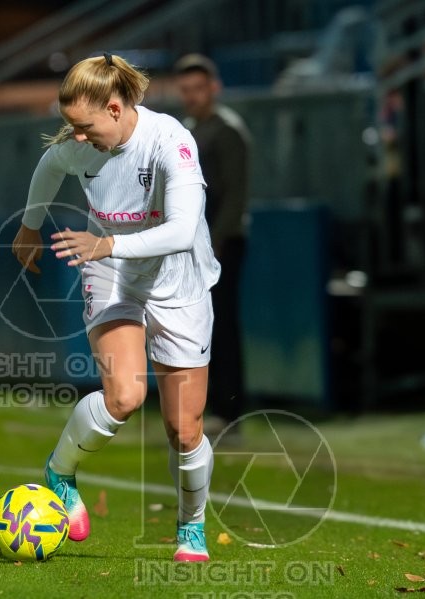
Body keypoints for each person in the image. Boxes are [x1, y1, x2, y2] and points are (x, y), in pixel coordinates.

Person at [11, 53, 221, 561]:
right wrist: (30, 225)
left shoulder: (171, 141)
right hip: (112, 275)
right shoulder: (77, 146)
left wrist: (107, 245)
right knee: (124, 397)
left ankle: (190, 527)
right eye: (69, 127)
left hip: (179, 278)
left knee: (185, 429)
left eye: (83, 126)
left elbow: (180, 229)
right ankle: (60, 473)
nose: (76, 137)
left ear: (114, 107)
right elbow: (49, 164)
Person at [174, 54, 250, 437]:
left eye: (197, 89)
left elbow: (236, 194)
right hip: (198, 242)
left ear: (214, 88)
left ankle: (229, 409)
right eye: (185, 90)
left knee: (221, 325)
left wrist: (216, 241)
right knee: (199, 327)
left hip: (220, 243)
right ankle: (207, 408)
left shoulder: (227, 130)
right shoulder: (190, 129)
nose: (191, 97)